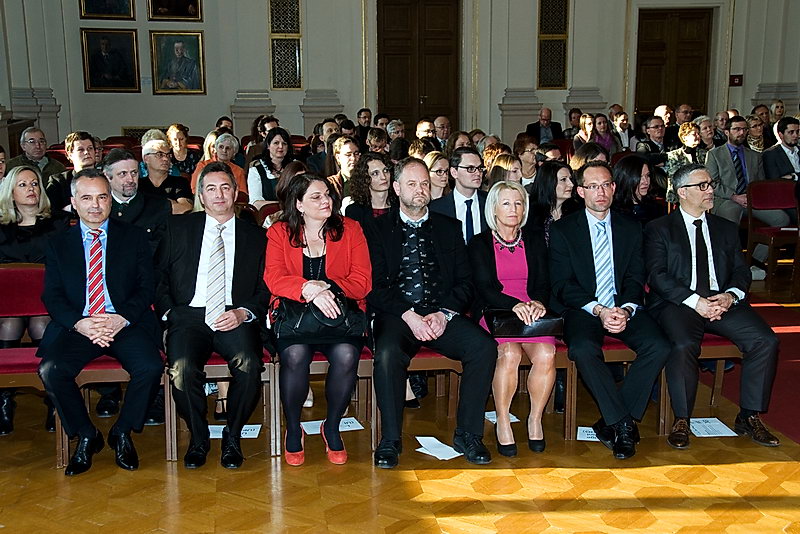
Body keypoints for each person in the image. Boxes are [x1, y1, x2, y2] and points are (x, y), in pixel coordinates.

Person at [366, 157, 497, 468]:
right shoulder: (376, 229)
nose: (420, 190)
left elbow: (466, 282)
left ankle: (468, 435)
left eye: (424, 183)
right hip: (398, 315)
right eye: (412, 184)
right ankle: (390, 439)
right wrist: (408, 315)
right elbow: (373, 286)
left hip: (441, 313)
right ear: (396, 188)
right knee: (387, 354)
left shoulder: (449, 227)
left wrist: (444, 313)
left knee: (484, 347)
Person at [644, 163, 780, 449]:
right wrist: (696, 302)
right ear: (682, 192)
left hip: (721, 302)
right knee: (683, 344)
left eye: (711, 184)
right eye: (702, 186)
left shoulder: (725, 228)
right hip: (678, 303)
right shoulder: (659, 228)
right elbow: (657, 276)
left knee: (765, 340)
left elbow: (741, 271)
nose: (710, 191)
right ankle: (682, 419)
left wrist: (730, 296)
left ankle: (749, 415)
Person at [37, 169, 163, 476]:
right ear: (73, 202)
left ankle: (122, 431)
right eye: (87, 198)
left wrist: (121, 319)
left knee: (150, 367)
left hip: (124, 322)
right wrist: (80, 323)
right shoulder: (57, 243)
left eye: (102, 197)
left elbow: (147, 287)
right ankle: (86, 434)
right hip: (79, 325)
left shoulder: (133, 237)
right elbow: (52, 295)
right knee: (51, 370)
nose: (95, 205)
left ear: (110, 200)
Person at [548, 161, 669, 459]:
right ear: (580, 192)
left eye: (605, 185)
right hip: (583, 308)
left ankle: (612, 421)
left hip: (623, 305)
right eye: (592, 186)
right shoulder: (564, 230)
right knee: (583, 348)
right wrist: (599, 310)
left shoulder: (631, 227)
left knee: (659, 345)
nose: (600, 192)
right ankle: (622, 423)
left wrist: (625, 309)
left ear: (614, 188)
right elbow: (562, 284)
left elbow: (636, 276)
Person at [155, 162, 268, 469]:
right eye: (211, 189)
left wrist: (244, 313)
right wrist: (170, 312)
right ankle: (199, 436)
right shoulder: (178, 228)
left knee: (249, 364)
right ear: (201, 196)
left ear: (236, 193)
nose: (219, 195)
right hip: (188, 315)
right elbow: (158, 276)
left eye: (225, 187)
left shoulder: (257, 236)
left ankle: (233, 436)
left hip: (233, 314)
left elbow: (265, 288)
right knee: (181, 369)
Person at [265, 173, 372, 466]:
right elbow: (273, 278)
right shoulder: (279, 232)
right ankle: (293, 426)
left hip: (340, 316)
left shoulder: (351, 229)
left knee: (347, 354)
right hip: (295, 318)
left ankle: (332, 425)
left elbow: (362, 281)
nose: (326, 201)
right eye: (316, 196)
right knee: (295, 355)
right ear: (298, 204)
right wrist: (307, 289)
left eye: (327, 194)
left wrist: (328, 288)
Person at [468, 180, 555, 456]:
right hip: (497, 311)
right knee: (509, 354)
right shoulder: (480, 243)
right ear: (494, 208)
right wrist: (514, 305)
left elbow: (544, 282)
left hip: (531, 310)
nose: (513, 209)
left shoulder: (534, 239)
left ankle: (534, 419)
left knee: (547, 353)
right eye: (506, 203)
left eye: (518, 203)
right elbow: (484, 288)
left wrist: (538, 302)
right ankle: (503, 420)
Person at [0, 165, 68, 434]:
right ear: (10, 192)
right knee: (9, 324)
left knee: (40, 323)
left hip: (48, 300)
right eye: (23, 185)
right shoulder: (1, 229)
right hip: (9, 305)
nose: (31, 189)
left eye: (34, 184)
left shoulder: (57, 224)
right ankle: (4, 400)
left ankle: (54, 399)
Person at [430, 147, 488, 243]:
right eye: (471, 169)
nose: (478, 173)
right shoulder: (436, 208)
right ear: (454, 172)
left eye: (480, 168)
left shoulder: (490, 202)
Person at [138, 139, 194, 215]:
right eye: (160, 154)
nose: (166, 159)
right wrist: (169, 204)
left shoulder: (180, 182)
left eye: (168, 155)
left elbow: (185, 208)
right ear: (146, 158)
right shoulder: (138, 185)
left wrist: (149, 207)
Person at [528, 161, 578, 244]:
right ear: (548, 182)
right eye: (563, 179)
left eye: (570, 179)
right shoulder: (531, 214)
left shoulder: (576, 211)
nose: (571, 184)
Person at [46, 131, 96, 212]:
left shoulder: (106, 178)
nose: (87, 152)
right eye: (81, 150)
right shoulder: (58, 182)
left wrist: (70, 208)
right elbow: (53, 212)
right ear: (69, 155)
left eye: (90, 148)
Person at [247, 127, 294, 210]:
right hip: (266, 214)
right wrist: (281, 205)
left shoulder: (294, 167)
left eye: (284, 143)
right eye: (276, 143)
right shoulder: (256, 169)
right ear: (268, 145)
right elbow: (255, 202)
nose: (280, 146)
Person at [613, 154, 666, 226]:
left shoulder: (658, 210)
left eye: (647, 175)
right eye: (640, 177)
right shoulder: (613, 213)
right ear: (626, 179)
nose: (645, 181)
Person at [345, 152, 395, 226]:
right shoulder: (354, 211)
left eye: (386, 170)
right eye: (375, 173)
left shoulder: (401, 206)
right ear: (365, 179)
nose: (383, 177)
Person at [327, 135, 361, 199]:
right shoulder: (331, 184)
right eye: (348, 155)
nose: (353, 158)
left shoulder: (367, 180)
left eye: (356, 154)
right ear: (338, 157)